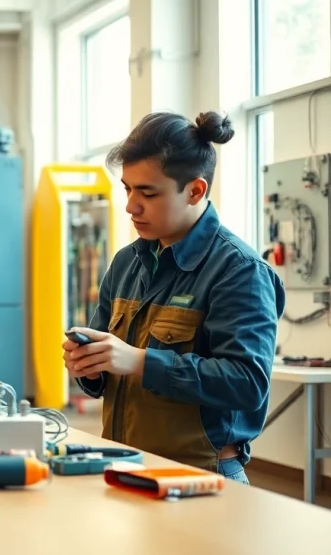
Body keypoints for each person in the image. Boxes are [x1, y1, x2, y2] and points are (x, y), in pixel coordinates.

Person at [62, 111, 286, 484]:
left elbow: (248, 383)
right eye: (127, 189)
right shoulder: (126, 264)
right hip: (127, 466)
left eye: (148, 193)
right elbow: (109, 372)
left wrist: (140, 361)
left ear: (195, 190)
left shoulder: (238, 270)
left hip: (201, 477)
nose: (131, 206)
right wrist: (89, 365)